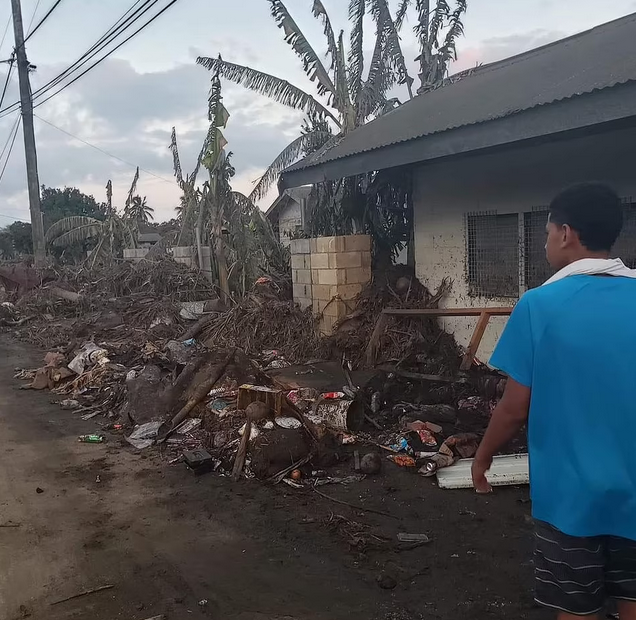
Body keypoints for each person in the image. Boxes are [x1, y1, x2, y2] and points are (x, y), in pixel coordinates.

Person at [472, 183, 636, 619]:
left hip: (571, 499)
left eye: (545, 233)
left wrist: (481, 458)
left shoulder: (539, 305)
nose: (545, 243)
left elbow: (514, 408)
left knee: (576, 608)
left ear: (567, 234)